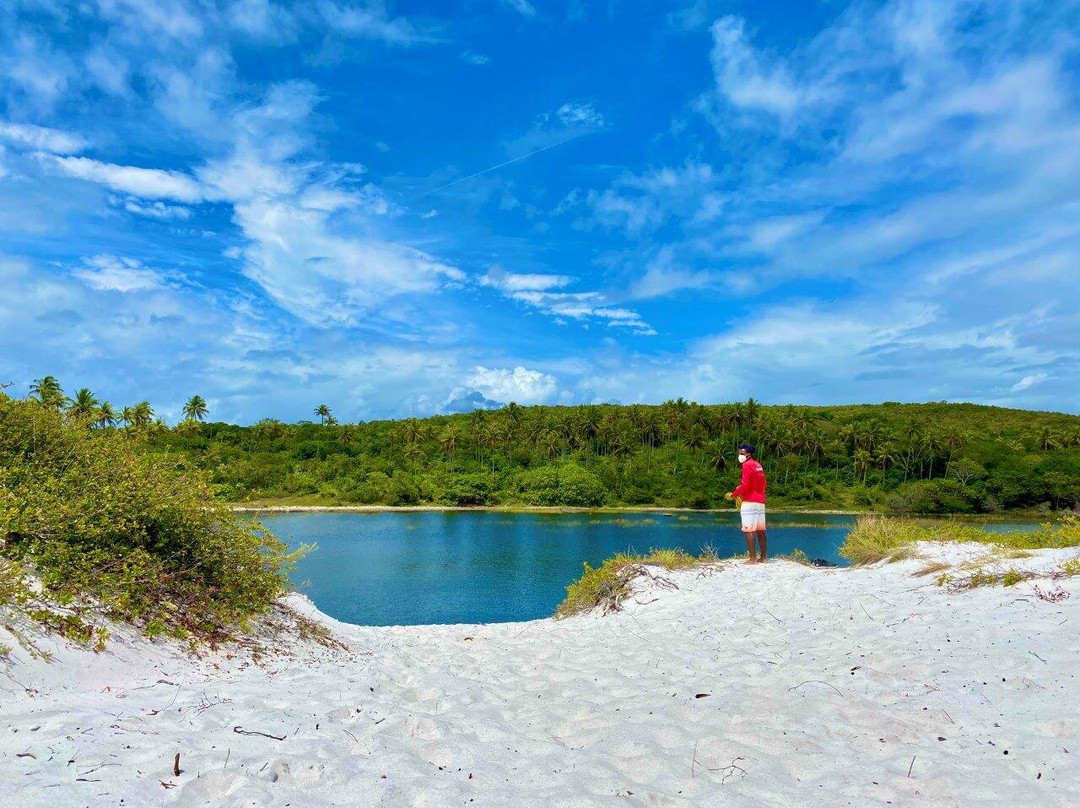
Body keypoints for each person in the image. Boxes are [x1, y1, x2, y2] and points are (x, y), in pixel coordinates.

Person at [726, 444, 767, 563]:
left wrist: (734, 494)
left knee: (748, 530)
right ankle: (763, 558)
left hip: (749, 501)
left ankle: (752, 559)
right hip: (760, 501)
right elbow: (763, 483)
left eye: (742, 454)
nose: (740, 456)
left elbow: (745, 485)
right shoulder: (758, 465)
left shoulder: (747, 465)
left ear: (748, 455)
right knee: (760, 530)